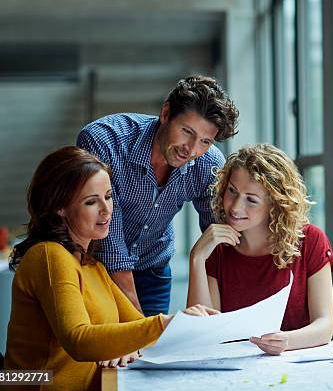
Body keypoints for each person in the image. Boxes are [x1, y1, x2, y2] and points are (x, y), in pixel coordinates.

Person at [4, 147, 218, 391]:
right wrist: (167, 323)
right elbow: (79, 341)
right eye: (91, 202)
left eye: (108, 196)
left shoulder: (92, 265)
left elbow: (137, 328)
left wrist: (131, 344)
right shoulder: (50, 255)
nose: (107, 210)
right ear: (58, 207)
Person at [77, 75, 239, 317]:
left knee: (151, 353)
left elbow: (220, 235)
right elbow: (109, 237)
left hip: (153, 269)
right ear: (165, 113)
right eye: (186, 131)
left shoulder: (209, 163)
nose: (192, 149)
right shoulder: (105, 141)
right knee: (107, 350)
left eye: (205, 141)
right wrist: (141, 323)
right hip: (95, 269)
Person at [187, 144, 333, 355]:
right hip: (233, 369)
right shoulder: (217, 250)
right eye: (232, 191)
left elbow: (325, 325)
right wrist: (197, 258)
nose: (235, 207)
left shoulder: (310, 240)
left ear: (275, 205)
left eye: (251, 199)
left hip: (295, 365)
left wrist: (287, 341)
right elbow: (201, 334)